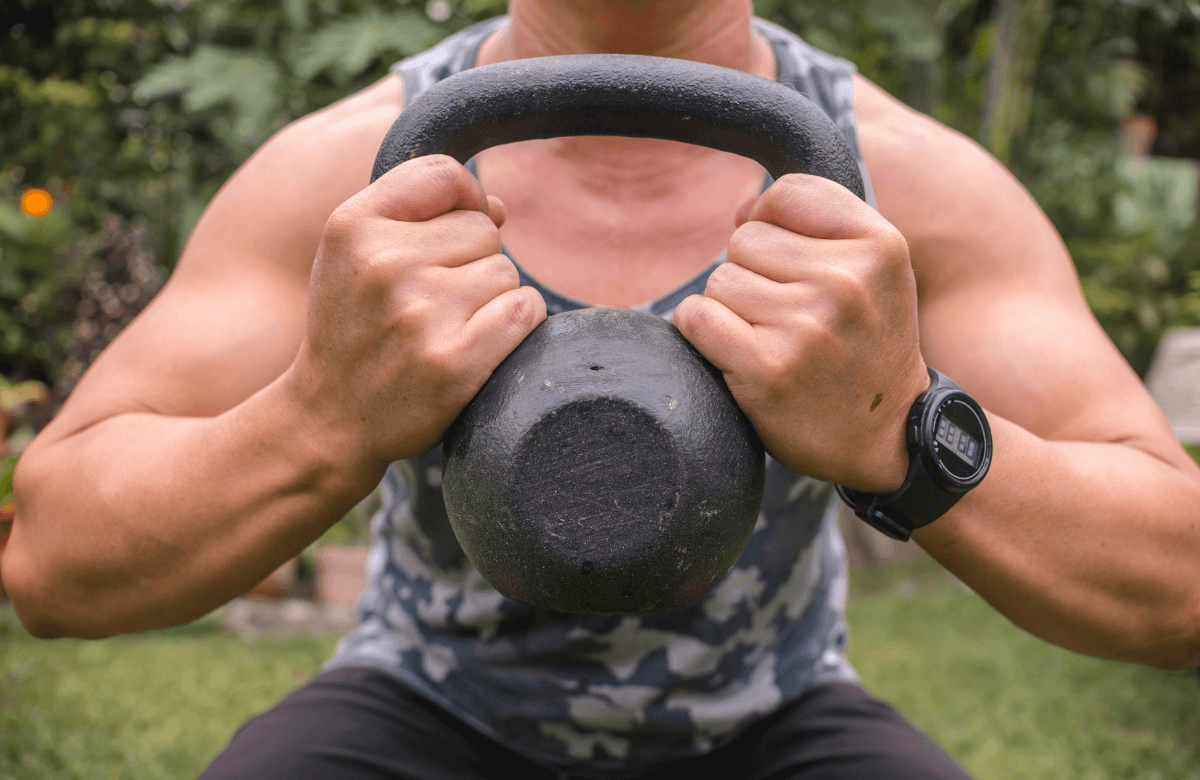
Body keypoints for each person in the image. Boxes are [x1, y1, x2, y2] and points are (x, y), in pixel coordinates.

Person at [6, 1, 1200, 777]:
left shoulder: (905, 189)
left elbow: (1176, 581)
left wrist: (904, 427)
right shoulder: (355, 178)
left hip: (774, 720)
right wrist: (322, 415)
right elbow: (54, 561)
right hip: (427, 706)